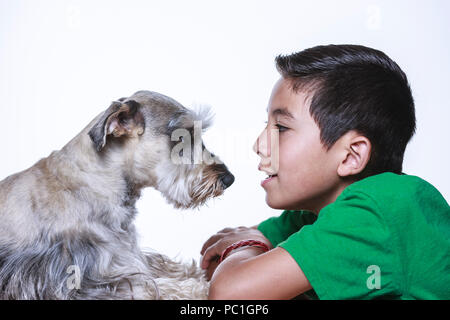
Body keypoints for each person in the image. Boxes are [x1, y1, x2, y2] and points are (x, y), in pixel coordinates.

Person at [200, 44, 450, 300]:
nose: (260, 145)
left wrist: (247, 244)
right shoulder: (311, 216)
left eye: (282, 128)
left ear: (351, 156)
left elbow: (229, 295)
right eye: (267, 125)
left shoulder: (376, 213)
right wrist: (250, 245)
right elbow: (216, 262)